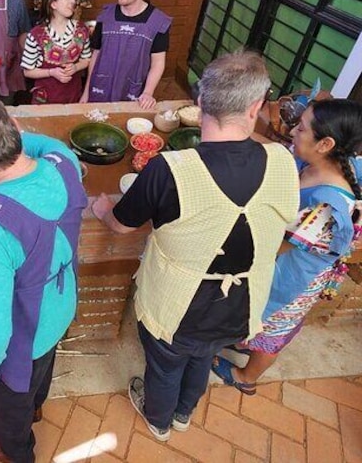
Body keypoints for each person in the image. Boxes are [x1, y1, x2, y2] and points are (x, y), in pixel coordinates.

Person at [91, 51, 299, 441]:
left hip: (177, 305)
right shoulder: (283, 161)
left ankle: (159, 420)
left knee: (166, 364)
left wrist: (103, 209)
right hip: (241, 305)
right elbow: (284, 221)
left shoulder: (170, 169)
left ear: (200, 102)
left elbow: (120, 226)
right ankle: (184, 414)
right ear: (256, 107)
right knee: (203, 355)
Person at [0, 98, 87, 462]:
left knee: (8, 408)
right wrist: (8, 135)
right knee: (41, 373)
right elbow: (44, 145)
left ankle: (16, 451)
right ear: (17, 132)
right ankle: (35, 407)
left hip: (23, 335)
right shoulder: (63, 162)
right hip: (60, 307)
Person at [212, 99, 362, 392]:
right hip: (282, 259)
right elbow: (275, 155)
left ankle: (246, 378)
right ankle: (244, 339)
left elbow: (276, 245)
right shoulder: (323, 164)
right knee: (257, 318)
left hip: (291, 279)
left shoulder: (327, 208)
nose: (293, 131)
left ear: (325, 143)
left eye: (302, 128)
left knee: (272, 330)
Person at [82, 0, 171, 109]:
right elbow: (95, 55)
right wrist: (86, 92)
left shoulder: (158, 22)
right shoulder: (105, 17)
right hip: (100, 89)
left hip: (133, 91)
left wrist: (148, 92)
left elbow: (158, 63)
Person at [20, 0, 91, 105]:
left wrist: (75, 67)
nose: (73, 1)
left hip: (73, 97)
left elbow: (87, 59)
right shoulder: (36, 35)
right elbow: (27, 71)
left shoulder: (81, 30)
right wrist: (51, 72)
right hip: (45, 100)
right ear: (53, 4)